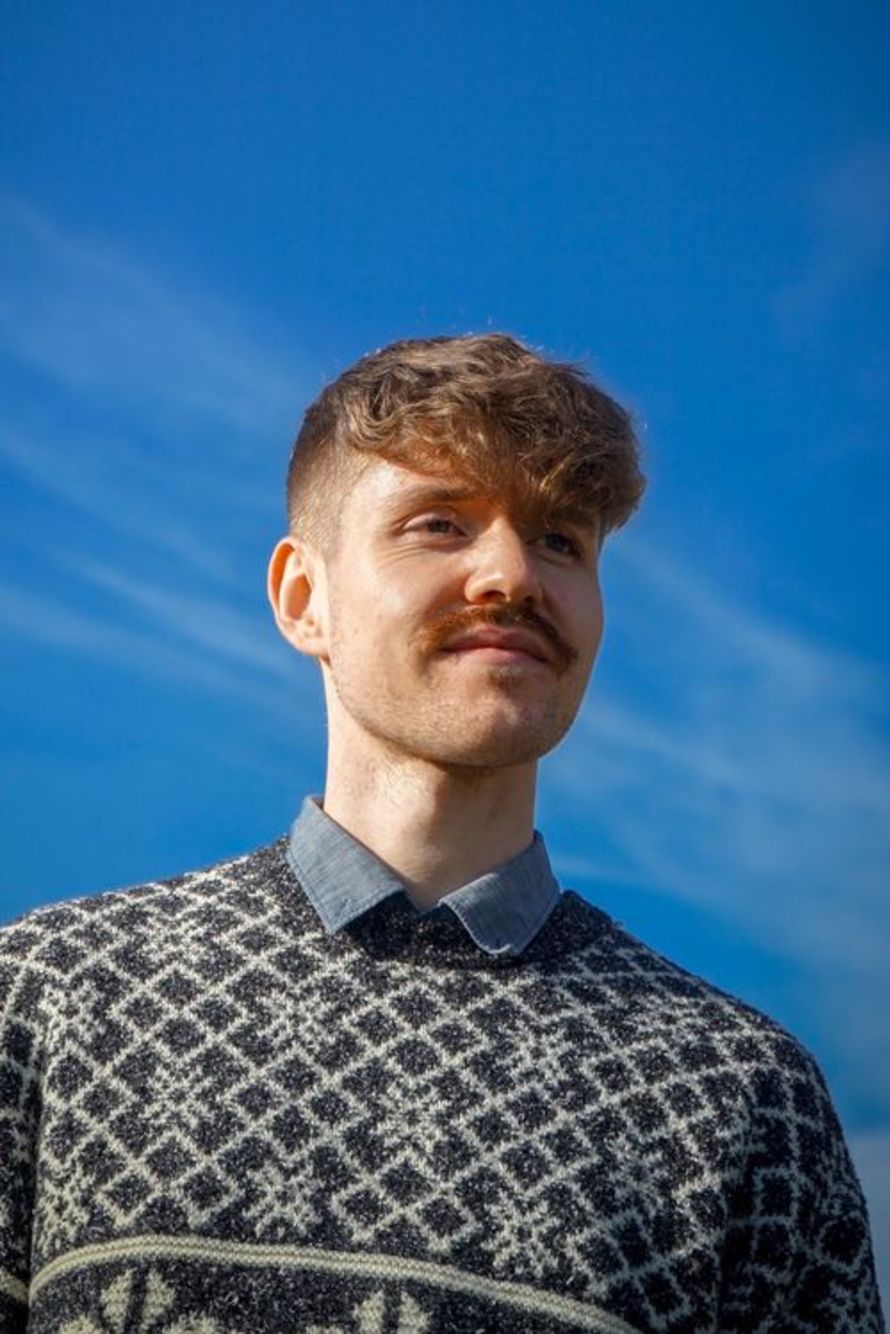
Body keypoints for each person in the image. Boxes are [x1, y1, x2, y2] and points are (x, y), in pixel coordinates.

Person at [0, 334, 883, 1333]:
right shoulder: (49, 996)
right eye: (439, 524)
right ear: (304, 598)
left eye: (560, 540)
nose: (511, 573)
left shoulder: (746, 1095)